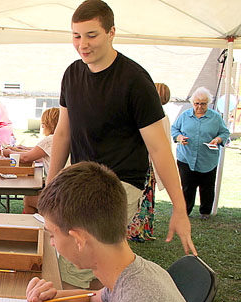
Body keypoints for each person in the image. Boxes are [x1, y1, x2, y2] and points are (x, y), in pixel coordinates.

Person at [48, 0, 196, 256]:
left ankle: (93, 294)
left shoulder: (135, 81)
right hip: (81, 179)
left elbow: (159, 148)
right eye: (76, 36)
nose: (83, 44)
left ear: (111, 33)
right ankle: (98, 294)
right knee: (68, 251)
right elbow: (62, 133)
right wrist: (49, 187)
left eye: (91, 35)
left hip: (120, 184)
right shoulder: (72, 74)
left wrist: (179, 209)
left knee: (86, 255)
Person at [26, 162, 209, 302]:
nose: (52, 243)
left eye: (53, 235)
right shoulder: (138, 272)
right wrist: (53, 297)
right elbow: (92, 299)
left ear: (79, 240)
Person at [171, 87, 230, 220]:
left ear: (208, 103)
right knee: (187, 187)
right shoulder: (185, 115)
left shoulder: (215, 117)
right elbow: (174, 129)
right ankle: (185, 212)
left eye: (203, 103)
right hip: (186, 158)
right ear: (193, 103)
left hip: (207, 159)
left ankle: (205, 212)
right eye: (197, 103)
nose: (199, 106)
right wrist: (179, 137)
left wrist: (218, 139)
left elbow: (225, 132)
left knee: (207, 187)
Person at [128, 83, 171, 241]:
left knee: (142, 197)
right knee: (146, 197)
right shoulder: (161, 115)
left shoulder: (157, 116)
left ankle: (137, 231)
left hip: (147, 164)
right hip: (149, 164)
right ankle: (142, 230)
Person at [3, 107, 60, 214]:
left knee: (29, 199)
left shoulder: (50, 139)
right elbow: (38, 152)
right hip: (62, 189)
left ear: (49, 124)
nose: (42, 126)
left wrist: (9, 153)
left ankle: (31, 228)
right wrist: (20, 149)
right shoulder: (61, 139)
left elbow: (26, 158)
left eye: (43, 123)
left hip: (57, 193)